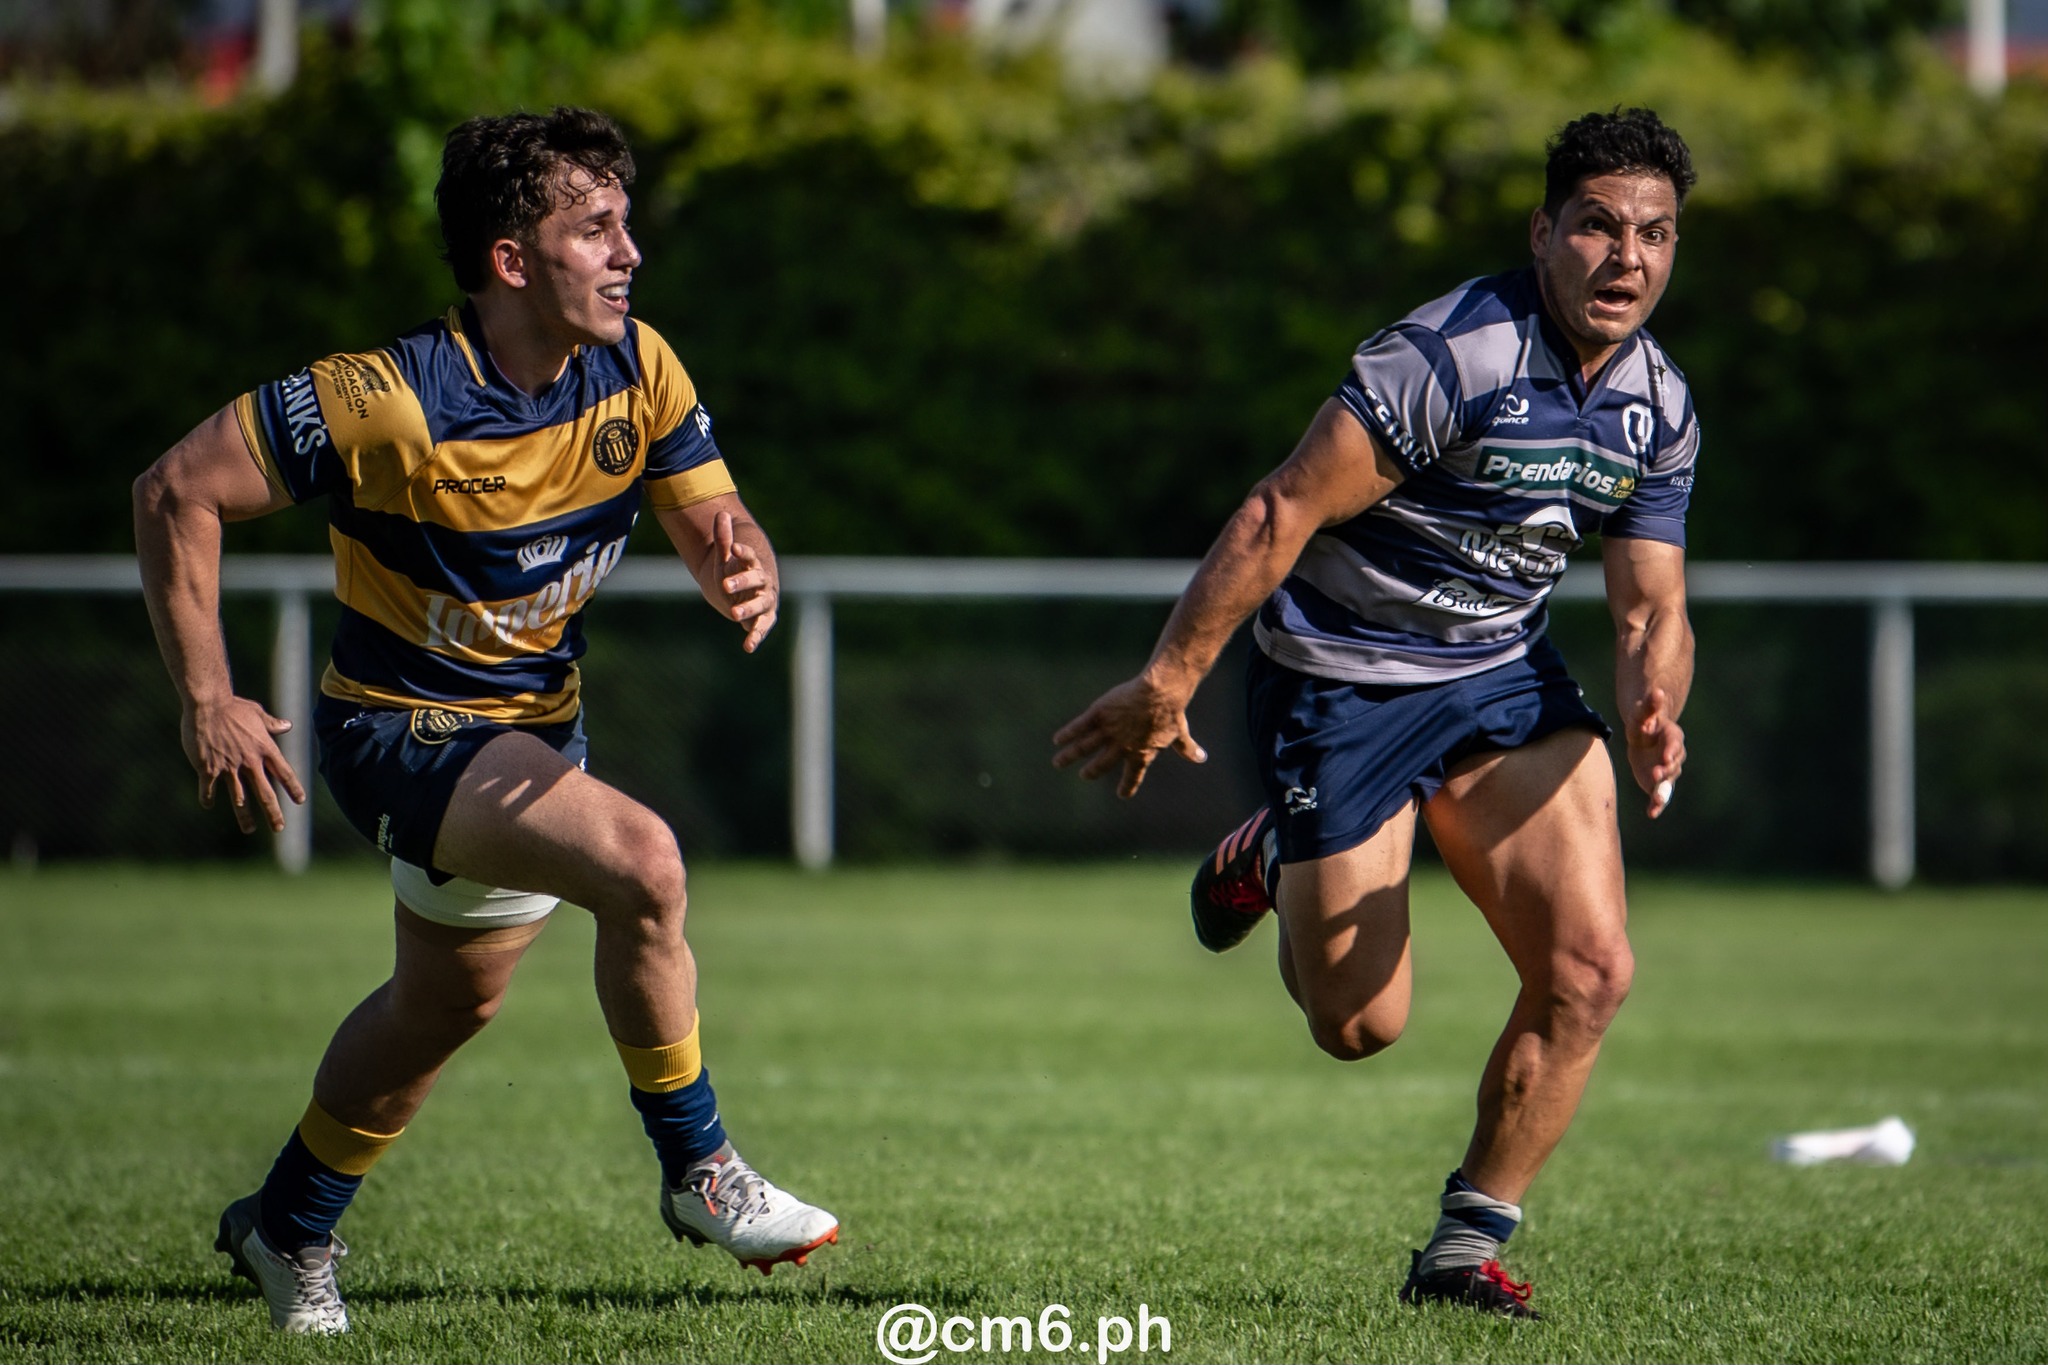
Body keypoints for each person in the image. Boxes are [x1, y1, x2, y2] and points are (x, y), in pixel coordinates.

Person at [132, 107, 837, 1335]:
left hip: (529, 736)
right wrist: (208, 695)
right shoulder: (387, 398)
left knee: (440, 1010)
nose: (629, 255)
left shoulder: (639, 366)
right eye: (596, 229)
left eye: (627, 226)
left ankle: (286, 1223)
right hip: (395, 732)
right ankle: (698, 1171)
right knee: (646, 867)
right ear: (512, 260)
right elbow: (174, 489)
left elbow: (713, 518)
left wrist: (745, 562)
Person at [1053, 108, 1699, 1320]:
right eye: (1599, 228)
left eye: (1654, 235)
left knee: (1591, 969)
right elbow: (1277, 514)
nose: (1627, 259)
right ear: (1542, 230)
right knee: (1358, 1028)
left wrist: (1654, 701)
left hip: (1498, 681)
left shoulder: (1657, 408)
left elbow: (1647, 605)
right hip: (1343, 680)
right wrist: (1167, 680)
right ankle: (1267, 850)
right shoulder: (1452, 355)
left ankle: (1463, 1250)